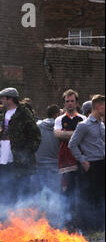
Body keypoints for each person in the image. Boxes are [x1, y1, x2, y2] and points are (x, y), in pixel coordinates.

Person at [0, 87, 41, 205]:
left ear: (11, 99)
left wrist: (26, 154)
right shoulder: (1, 113)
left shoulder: (24, 113)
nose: (1, 100)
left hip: (19, 163)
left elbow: (36, 136)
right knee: (5, 193)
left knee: (21, 195)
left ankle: (20, 220)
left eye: (3, 98)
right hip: (2, 160)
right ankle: (6, 220)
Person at [68, 95, 105, 232]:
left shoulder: (101, 124)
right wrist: (83, 160)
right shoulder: (84, 125)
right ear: (97, 106)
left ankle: (99, 226)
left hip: (101, 164)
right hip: (90, 165)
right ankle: (87, 228)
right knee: (87, 197)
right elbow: (72, 144)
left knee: (100, 196)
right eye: (104, 105)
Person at [54, 89, 86, 215]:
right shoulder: (59, 119)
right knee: (66, 189)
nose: (70, 103)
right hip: (65, 158)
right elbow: (57, 134)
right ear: (64, 103)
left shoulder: (83, 118)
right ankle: (66, 218)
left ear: (76, 102)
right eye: (67, 101)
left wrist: (66, 134)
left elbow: (85, 137)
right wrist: (77, 135)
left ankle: (81, 216)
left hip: (80, 158)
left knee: (81, 188)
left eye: (72, 101)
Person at [34, 104, 61, 195]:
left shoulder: (38, 126)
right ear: (57, 114)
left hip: (39, 165)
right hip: (55, 166)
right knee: (54, 197)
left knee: (37, 195)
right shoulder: (60, 128)